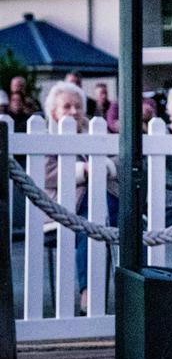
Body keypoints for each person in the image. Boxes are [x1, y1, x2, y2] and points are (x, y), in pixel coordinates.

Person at [41, 82, 119, 315]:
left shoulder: (95, 133)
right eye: (67, 107)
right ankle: (88, 293)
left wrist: (105, 166)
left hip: (107, 203)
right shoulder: (46, 138)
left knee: (133, 225)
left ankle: (140, 293)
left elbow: (120, 156)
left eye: (78, 106)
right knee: (89, 225)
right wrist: (83, 170)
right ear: (54, 112)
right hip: (65, 212)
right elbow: (46, 173)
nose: (74, 112)